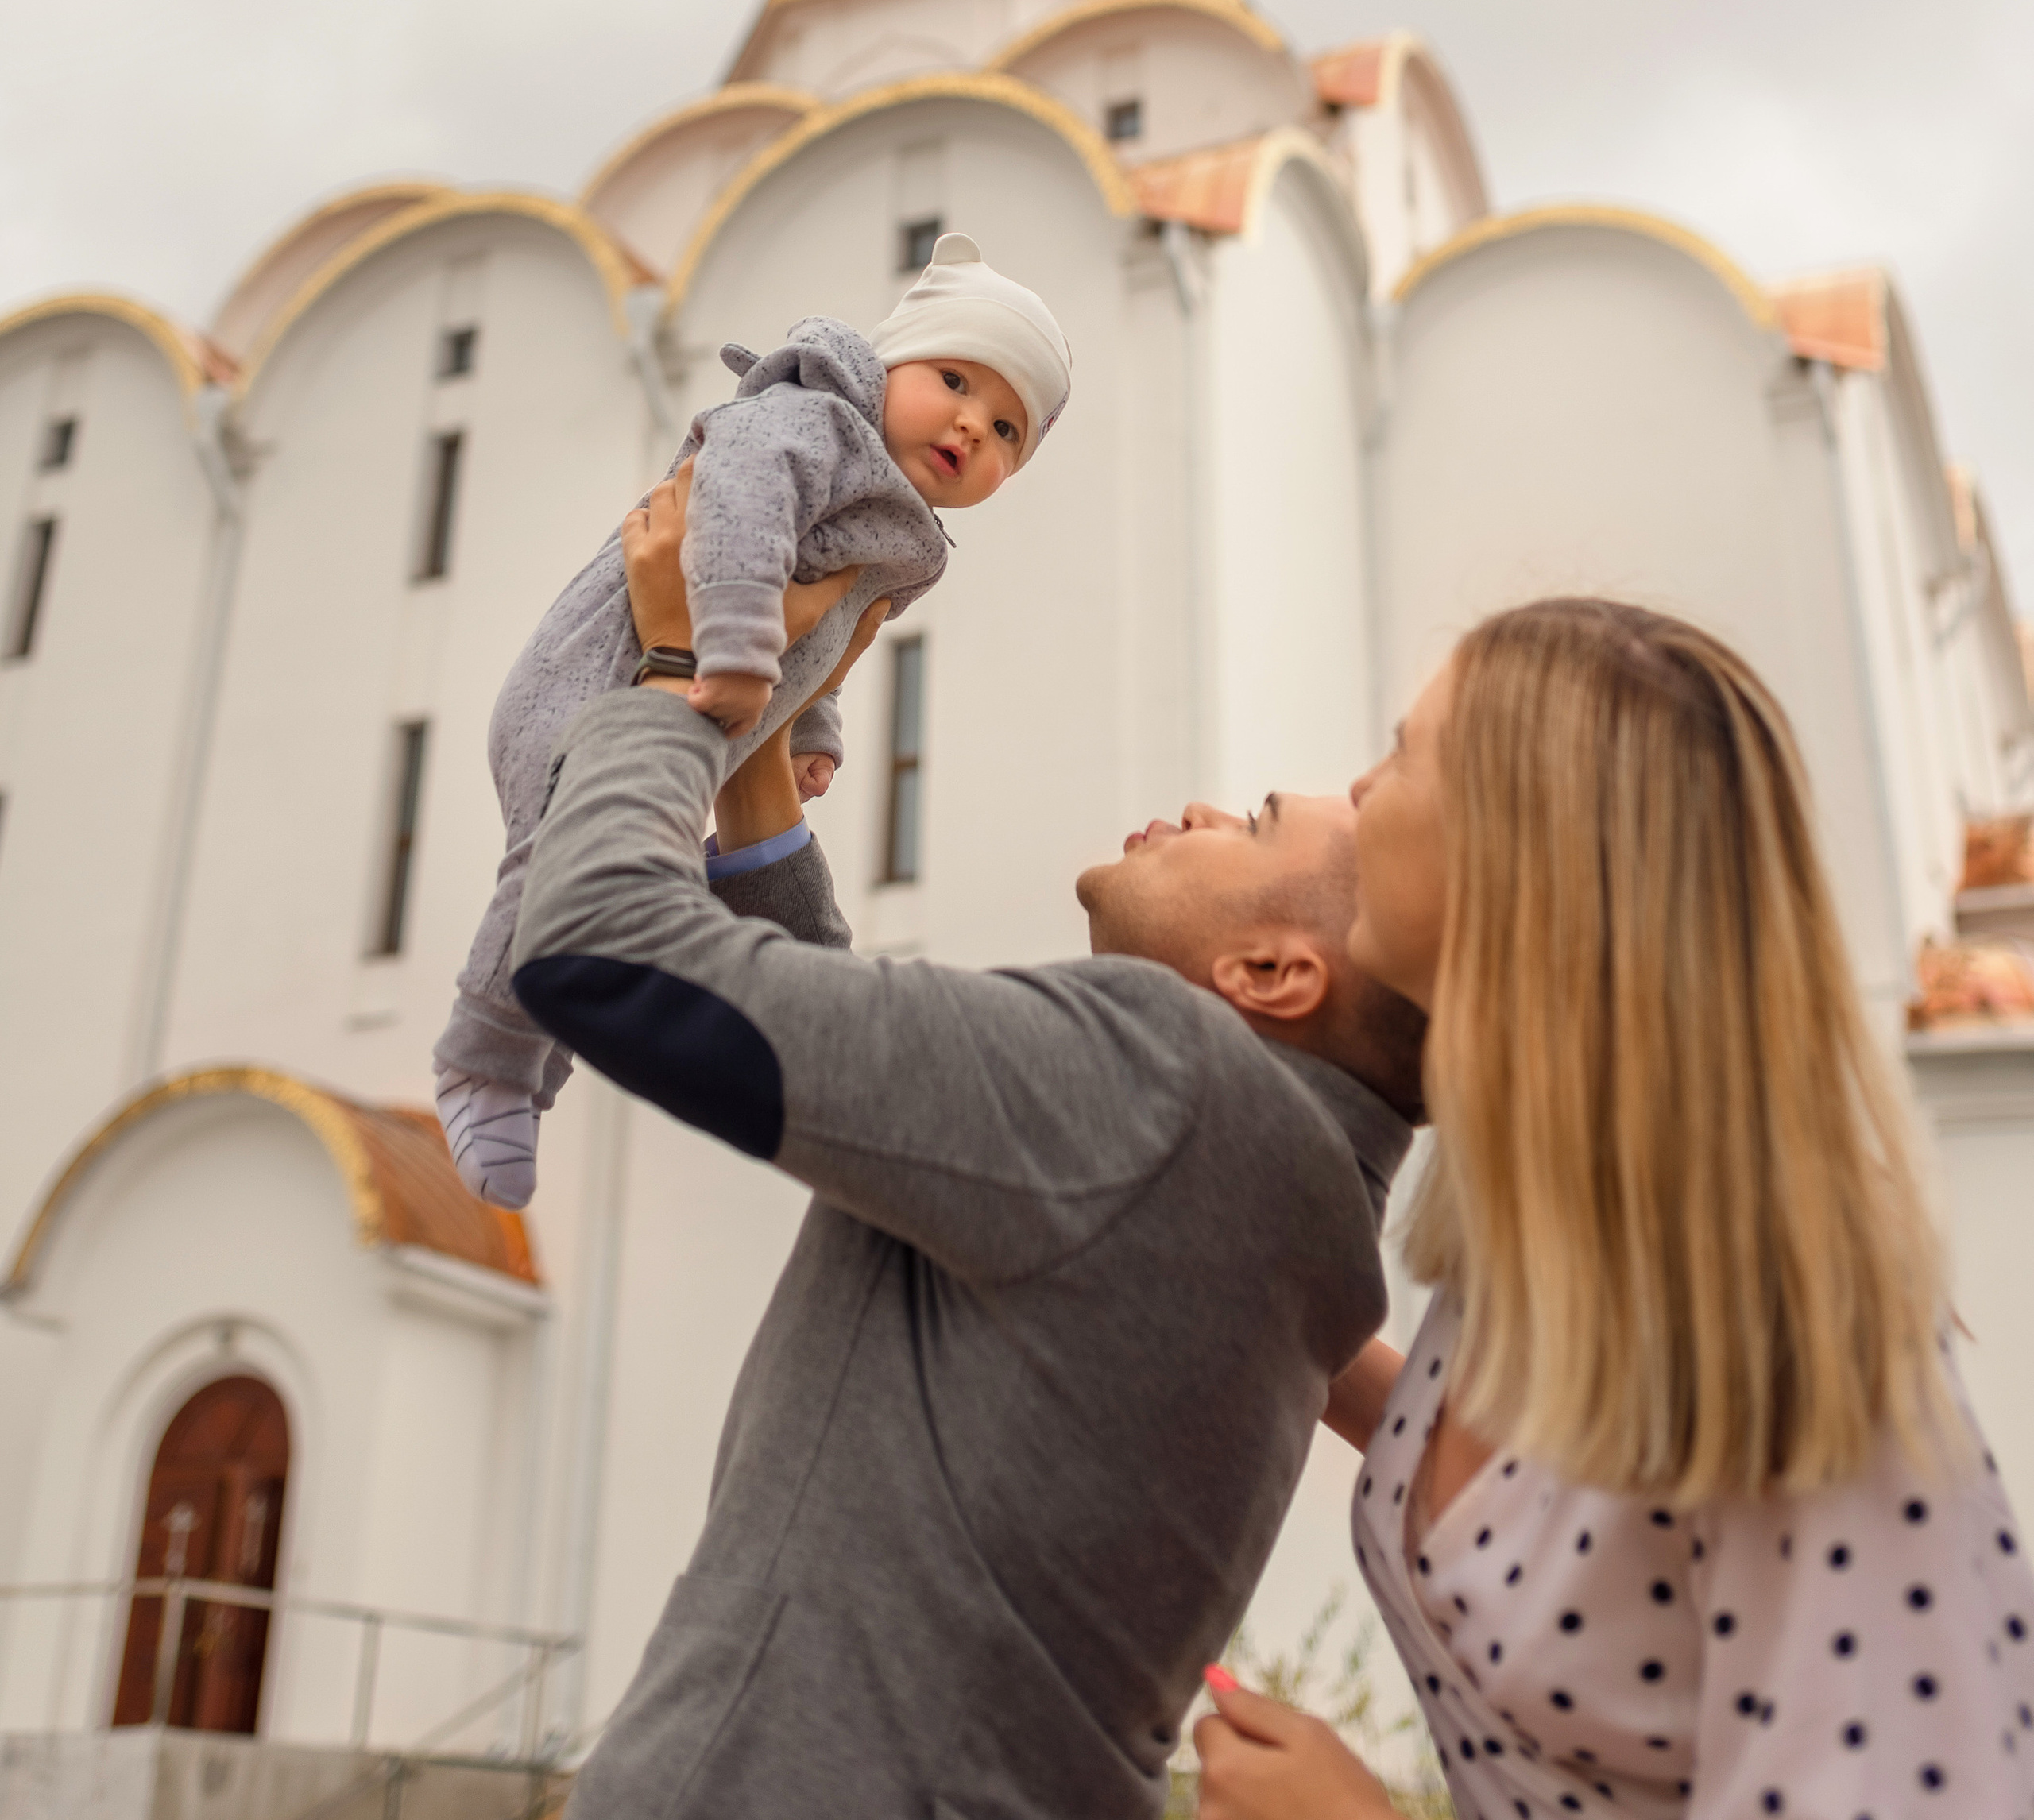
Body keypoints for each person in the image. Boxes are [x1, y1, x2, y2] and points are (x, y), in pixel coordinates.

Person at [507, 479, 1430, 1820]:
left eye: (1255, 822)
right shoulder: (1276, 1184)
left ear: (1273, 971)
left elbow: (601, 951)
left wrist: (670, 668)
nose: (1203, 807)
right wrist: (757, 746)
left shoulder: (1166, 1083)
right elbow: (861, 1062)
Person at [1193, 598, 2034, 1820]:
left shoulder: (1803, 1360)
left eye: (1406, 752)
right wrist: (1261, 1308)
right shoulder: (1537, 1260)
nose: (1362, 790)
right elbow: (1558, 1503)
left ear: (1524, 850)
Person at [432, 230, 1072, 1206]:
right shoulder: (813, 420)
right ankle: (482, 1060)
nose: (973, 425)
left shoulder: (902, 533)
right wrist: (730, 647)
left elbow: (829, 639)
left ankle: (530, 1066)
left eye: (1009, 430)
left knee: (604, 891)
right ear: (892, 362)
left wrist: (808, 732)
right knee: (560, 858)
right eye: (954, 380)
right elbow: (735, 515)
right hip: (597, 678)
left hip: (697, 720)